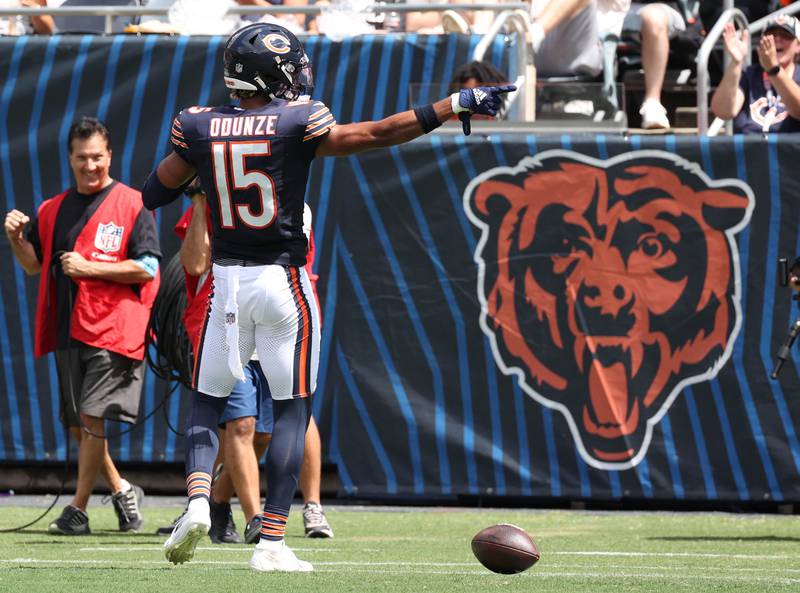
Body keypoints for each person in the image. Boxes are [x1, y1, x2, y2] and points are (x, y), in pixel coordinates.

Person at [142, 21, 511, 572]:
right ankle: (269, 542)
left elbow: (153, 191)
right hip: (282, 281)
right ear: (274, 73)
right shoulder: (298, 118)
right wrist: (453, 103)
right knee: (292, 410)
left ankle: (197, 502)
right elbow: (378, 133)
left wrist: (205, 168)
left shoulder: (197, 123)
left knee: (207, 401)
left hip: (225, 283)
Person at [3, 117, 160, 535]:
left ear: (109, 155)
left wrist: (91, 267)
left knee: (91, 417)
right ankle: (123, 490)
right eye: (81, 159)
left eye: (97, 158)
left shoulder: (133, 203)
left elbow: (148, 268)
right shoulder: (51, 209)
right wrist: (17, 240)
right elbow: (34, 267)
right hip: (66, 328)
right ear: (70, 160)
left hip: (113, 329)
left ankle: (78, 509)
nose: (90, 166)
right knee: (78, 426)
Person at [171, 189, 333, 543]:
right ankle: (256, 519)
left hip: (278, 321)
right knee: (240, 425)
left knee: (272, 429)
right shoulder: (216, 203)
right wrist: (200, 203)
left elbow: (297, 263)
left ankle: (214, 501)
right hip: (227, 323)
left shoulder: (293, 207)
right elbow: (196, 264)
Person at [710, 15, 800, 134]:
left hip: (789, 151)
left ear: (798, 46)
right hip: (749, 150)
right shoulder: (749, 74)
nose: (777, 39)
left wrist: (773, 69)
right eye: (771, 35)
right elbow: (723, 111)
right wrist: (736, 62)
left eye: (786, 35)